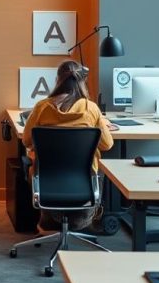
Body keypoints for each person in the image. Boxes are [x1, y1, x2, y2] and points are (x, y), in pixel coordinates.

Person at [21, 59, 115, 231]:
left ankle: (48, 220)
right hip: (83, 182)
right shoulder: (90, 108)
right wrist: (100, 122)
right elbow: (107, 144)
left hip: (46, 181)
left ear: (57, 80)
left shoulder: (42, 107)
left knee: (28, 164)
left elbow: (26, 140)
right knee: (100, 168)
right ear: (82, 82)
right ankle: (83, 220)